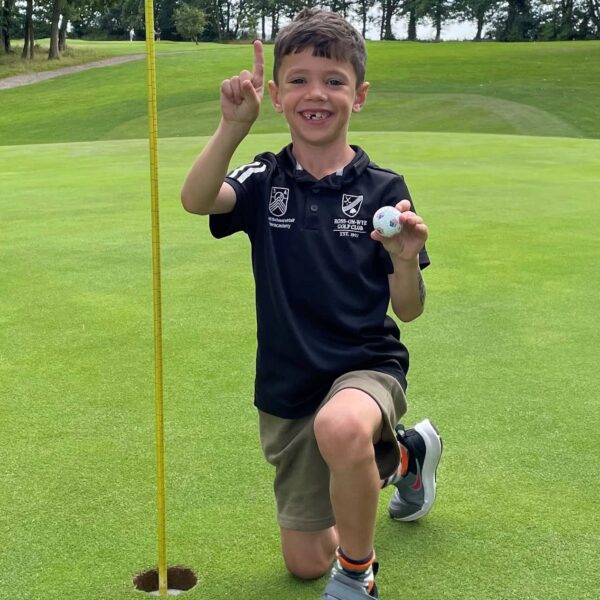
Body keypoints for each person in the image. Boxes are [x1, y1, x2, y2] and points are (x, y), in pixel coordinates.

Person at [181, 9, 443, 599]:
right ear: (275, 94)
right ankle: (405, 456)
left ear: (361, 95)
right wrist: (232, 127)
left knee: (343, 424)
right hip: (288, 383)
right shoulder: (265, 176)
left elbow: (409, 311)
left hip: (365, 365)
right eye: (298, 80)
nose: (315, 94)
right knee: (304, 560)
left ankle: (357, 574)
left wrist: (404, 260)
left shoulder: (384, 190)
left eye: (333, 80)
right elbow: (197, 200)